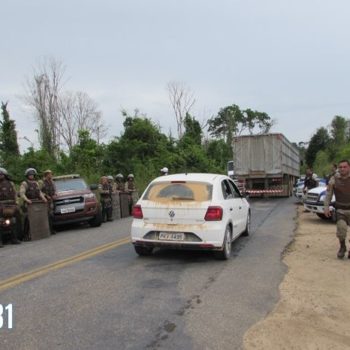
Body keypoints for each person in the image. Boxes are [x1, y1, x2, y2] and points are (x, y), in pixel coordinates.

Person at [324, 159, 350, 259]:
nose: (342, 169)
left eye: (345, 167)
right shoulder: (334, 179)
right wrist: (326, 207)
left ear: (349, 167)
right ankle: (342, 247)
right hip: (341, 210)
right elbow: (328, 194)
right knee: (341, 231)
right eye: (340, 167)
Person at [20, 168, 48, 240]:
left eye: (32, 174)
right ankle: (25, 235)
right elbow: (22, 194)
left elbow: (39, 193)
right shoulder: (24, 183)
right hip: (28, 204)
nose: (31, 176)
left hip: (36, 203)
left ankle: (40, 233)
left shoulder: (36, 183)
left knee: (40, 216)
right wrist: (27, 200)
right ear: (27, 175)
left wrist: (43, 198)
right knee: (27, 218)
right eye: (30, 175)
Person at [0, 167, 21, 246]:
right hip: (1, 206)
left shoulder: (10, 183)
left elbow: (15, 193)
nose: (0, 176)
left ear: (5, 175)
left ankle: (15, 238)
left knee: (14, 221)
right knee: (0, 222)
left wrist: (17, 202)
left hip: (11, 205)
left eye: (2, 174)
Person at [40, 170, 57, 234]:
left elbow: (55, 189)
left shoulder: (52, 182)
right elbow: (39, 191)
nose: (51, 175)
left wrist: (55, 194)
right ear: (46, 175)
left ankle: (52, 229)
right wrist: (46, 196)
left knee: (51, 215)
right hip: (45, 201)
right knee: (47, 216)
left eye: (51, 174)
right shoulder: (42, 182)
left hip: (52, 200)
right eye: (50, 174)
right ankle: (48, 230)